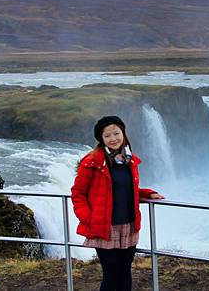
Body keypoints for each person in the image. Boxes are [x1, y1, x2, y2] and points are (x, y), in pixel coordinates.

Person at [71, 116, 164, 291]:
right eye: (107, 136)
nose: (113, 139)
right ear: (101, 138)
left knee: (125, 272)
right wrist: (89, 218)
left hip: (128, 225)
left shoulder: (129, 160)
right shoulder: (92, 162)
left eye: (116, 133)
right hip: (104, 227)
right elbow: (77, 193)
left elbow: (125, 189)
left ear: (123, 133)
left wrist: (147, 193)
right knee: (111, 273)